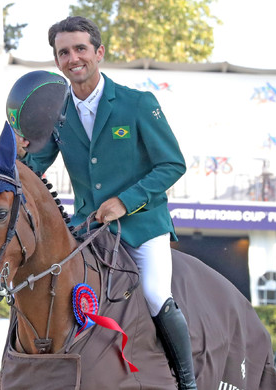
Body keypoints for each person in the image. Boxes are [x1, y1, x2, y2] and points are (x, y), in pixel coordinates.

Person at [14, 16, 194, 389]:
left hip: (142, 226)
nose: (73, 58)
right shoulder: (57, 114)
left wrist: (124, 202)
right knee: (43, 286)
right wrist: (20, 155)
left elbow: (172, 164)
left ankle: (187, 382)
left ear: (99, 53)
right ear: (57, 62)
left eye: (80, 49)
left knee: (156, 294)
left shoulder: (138, 103)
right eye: (64, 52)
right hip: (88, 228)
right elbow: (34, 171)